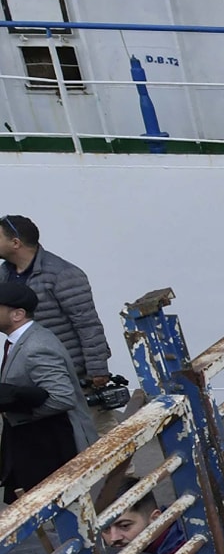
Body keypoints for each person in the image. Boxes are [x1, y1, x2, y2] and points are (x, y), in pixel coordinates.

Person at [0, 215, 114, 405]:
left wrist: (97, 371)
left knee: (91, 424)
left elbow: (87, 324)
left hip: (72, 375)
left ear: (15, 243)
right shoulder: (5, 274)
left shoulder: (62, 274)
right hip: (31, 376)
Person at [0, 280, 96, 502]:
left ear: (17, 314)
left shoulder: (36, 346)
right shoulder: (22, 341)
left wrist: (17, 413)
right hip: (35, 444)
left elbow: (62, 397)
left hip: (52, 446)